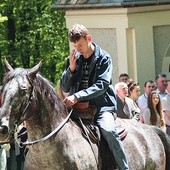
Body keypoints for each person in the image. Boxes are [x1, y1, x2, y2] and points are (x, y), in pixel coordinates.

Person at [60, 23, 129, 170]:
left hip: (101, 107)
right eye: (75, 46)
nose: (78, 49)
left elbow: (102, 85)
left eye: (80, 45)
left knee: (109, 131)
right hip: (76, 108)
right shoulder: (72, 60)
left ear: (89, 38)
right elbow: (64, 87)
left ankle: (124, 168)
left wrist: (77, 96)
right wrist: (71, 70)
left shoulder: (104, 58)